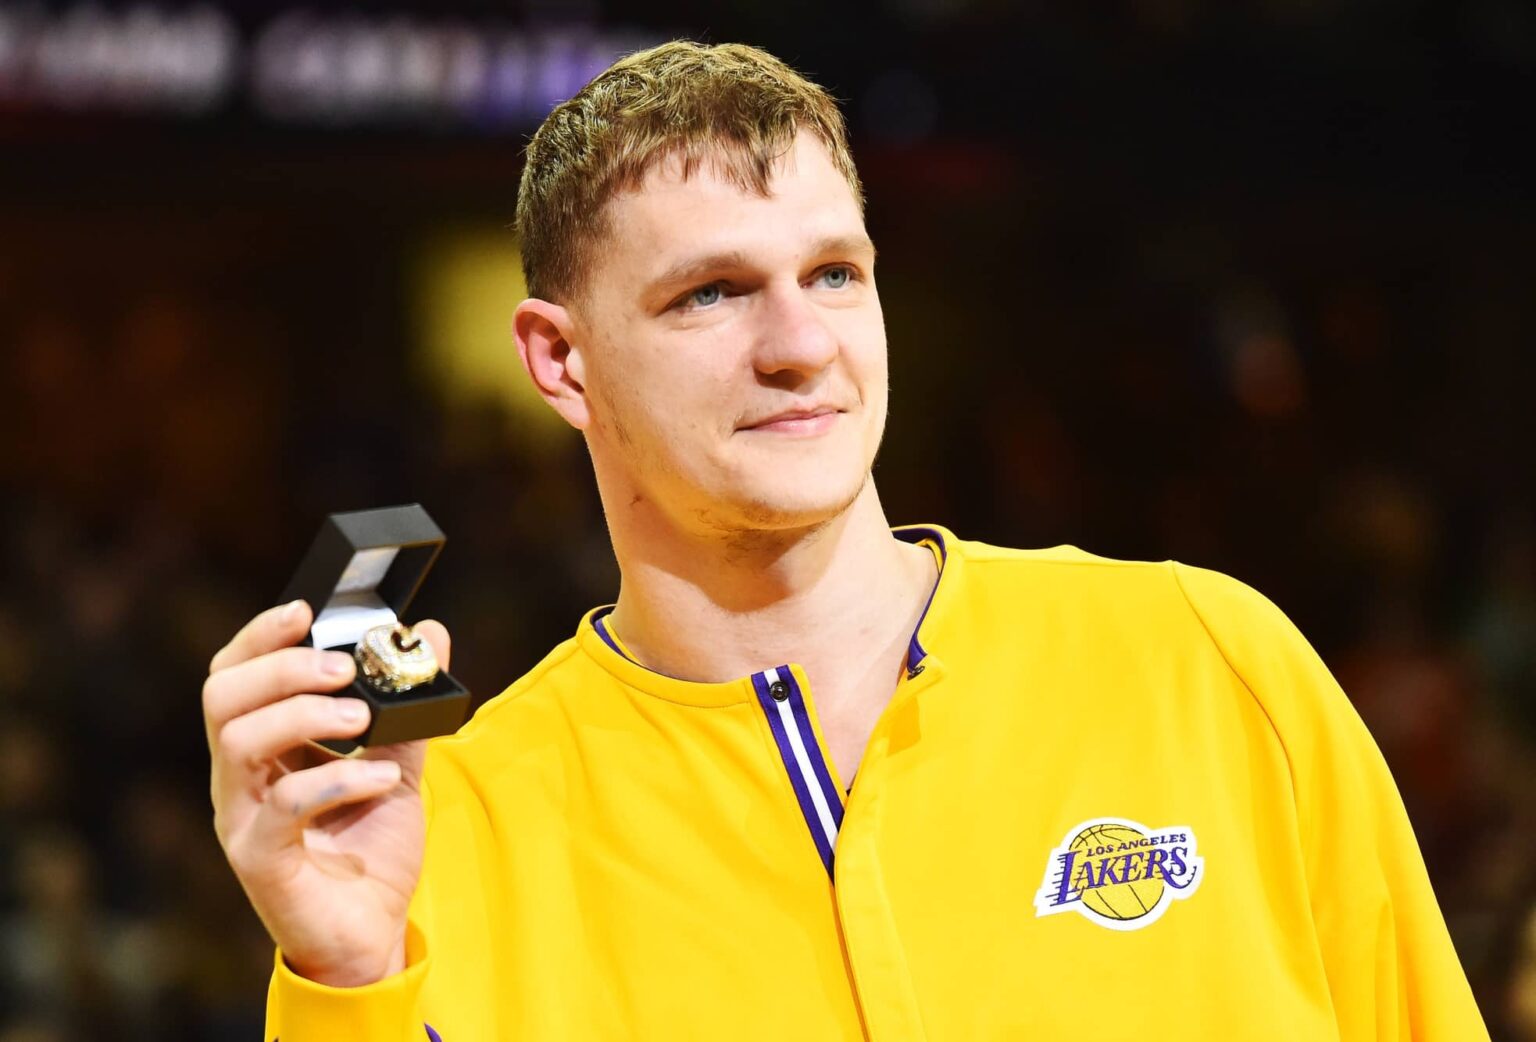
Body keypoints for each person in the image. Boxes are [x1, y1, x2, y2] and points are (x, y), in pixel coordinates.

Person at [204, 40, 1489, 1040]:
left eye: (834, 273)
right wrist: (346, 981)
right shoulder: (449, 836)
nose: (801, 344)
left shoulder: (1207, 658)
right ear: (560, 360)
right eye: (711, 293)